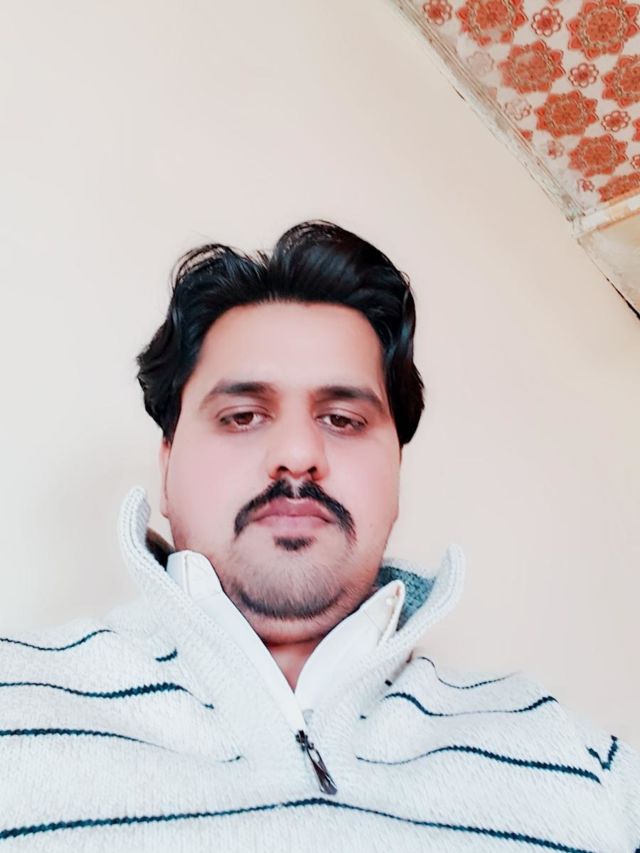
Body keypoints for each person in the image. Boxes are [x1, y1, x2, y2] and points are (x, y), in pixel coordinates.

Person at [0, 221, 638, 852]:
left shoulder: (585, 767)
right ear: (166, 470)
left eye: (342, 419)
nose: (299, 455)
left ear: (396, 475)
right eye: (242, 416)